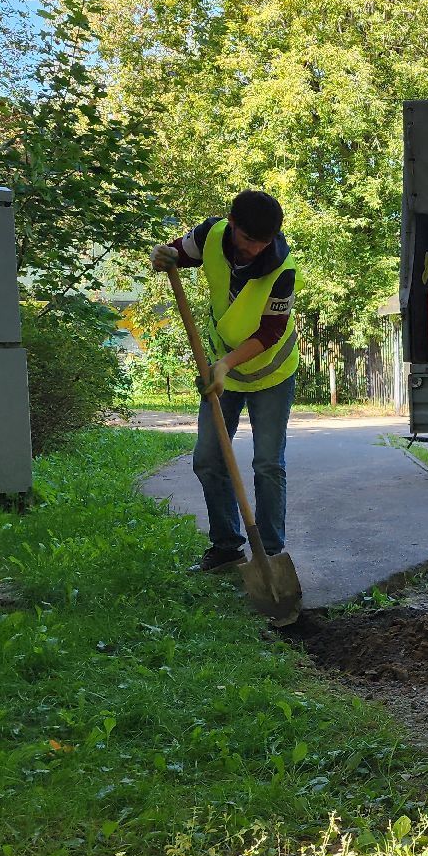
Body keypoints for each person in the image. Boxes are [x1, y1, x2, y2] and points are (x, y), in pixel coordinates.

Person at [149, 190, 300, 575]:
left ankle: (270, 553)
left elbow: (270, 332)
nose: (255, 249)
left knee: (267, 463)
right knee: (209, 459)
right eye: (249, 240)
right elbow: (177, 253)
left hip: (270, 372)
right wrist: (162, 256)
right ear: (232, 223)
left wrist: (226, 365)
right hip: (222, 370)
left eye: (263, 242)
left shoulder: (282, 268)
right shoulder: (211, 235)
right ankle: (227, 547)